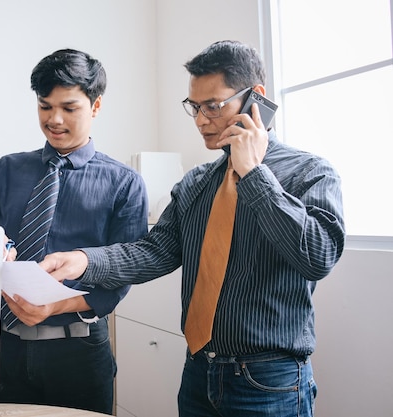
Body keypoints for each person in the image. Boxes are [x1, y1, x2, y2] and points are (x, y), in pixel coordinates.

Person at [40, 40, 345, 417]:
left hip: (269, 380)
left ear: (256, 99)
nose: (201, 120)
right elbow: (155, 251)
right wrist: (84, 261)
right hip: (199, 373)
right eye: (194, 107)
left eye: (213, 106)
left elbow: (318, 257)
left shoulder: (309, 173)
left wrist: (253, 173)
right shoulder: (196, 182)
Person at [0, 48, 149, 414]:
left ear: (95, 106)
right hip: (2, 350)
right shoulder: (6, 170)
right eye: (44, 106)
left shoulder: (124, 183)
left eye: (69, 108)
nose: (54, 119)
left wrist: (55, 306)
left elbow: (122, 277)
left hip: (78, 354)